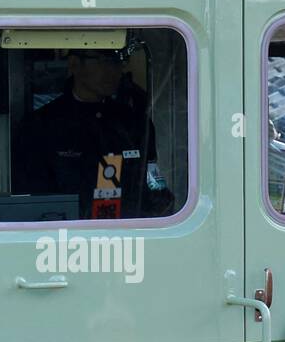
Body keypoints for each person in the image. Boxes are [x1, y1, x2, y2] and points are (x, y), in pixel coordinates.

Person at [13, 47, 173, 219]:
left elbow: (154, 184)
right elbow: (30, 197)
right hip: (62, 238)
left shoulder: (134, 123)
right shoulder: (40, 126)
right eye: (104, 61)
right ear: (74, 64)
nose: (113, 69)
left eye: (118, 61)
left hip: (127, 236)